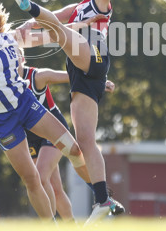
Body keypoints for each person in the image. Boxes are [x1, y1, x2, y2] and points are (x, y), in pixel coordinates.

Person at [5, 0, 139, 224]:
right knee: (85, 141)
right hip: (83, 72)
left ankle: (28, 8)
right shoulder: (76, 8)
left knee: (61, 33)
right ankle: (103, 199)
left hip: (94, 53)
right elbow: (53, 16)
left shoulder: (100, 1)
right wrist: (24, 29)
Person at [0, 0, 97, 221]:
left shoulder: (12, 38)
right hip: (2, 118)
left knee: (74, 150)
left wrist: (84, 23)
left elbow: (55, 35)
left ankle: (102, 196)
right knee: (33, 178)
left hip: (25, 103)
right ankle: (52, 230)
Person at [18, 47, 116, 221]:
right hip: (32, 138)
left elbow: (72, 77)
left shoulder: (37, 76)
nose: (11, 59)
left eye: (15, 55)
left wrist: (101, 81)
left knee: (40, 177)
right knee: (55, 189)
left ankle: (101, 195)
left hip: (53, 131)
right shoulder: (1, 82)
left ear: (22, 58)